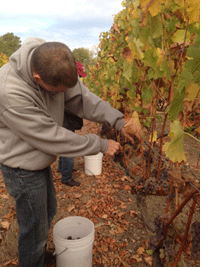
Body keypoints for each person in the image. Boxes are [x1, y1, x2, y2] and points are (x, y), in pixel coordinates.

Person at [0, 37, 142, 267]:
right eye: (59, 92)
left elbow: (83, 99)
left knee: (48, 211)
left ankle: (37, 254)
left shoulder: (54, 63)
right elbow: (52, 138)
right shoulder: (10, 92)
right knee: (34, 228)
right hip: (21, 169)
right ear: (38, 79)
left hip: (37, 161)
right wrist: (100, 144)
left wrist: (119, 121)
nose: (64, 95)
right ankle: (32, 259)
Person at [58, 62, 86, 187]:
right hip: (66, 120)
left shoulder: (66, 83)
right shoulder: (68, 86)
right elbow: (69, 106)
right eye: (78, 75)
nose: (79, 78)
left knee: (64, 145)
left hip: (63, 119)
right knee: (70, 146)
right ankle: (66, 177)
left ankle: (62, 168)